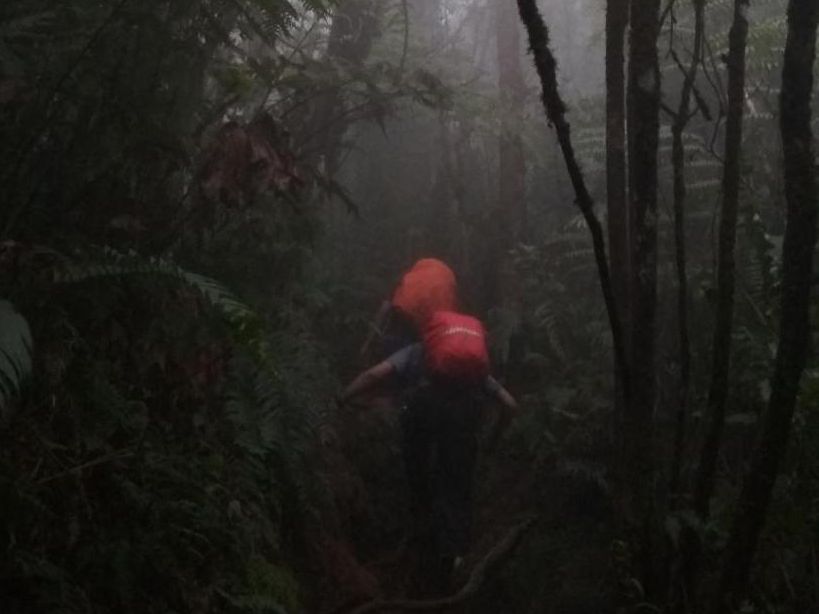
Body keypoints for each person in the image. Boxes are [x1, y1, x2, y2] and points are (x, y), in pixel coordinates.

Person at [337, 321, 518, 595]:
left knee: (415, 456)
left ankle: (419, 516)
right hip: (463, 420)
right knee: (456, 485)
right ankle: (455, 555)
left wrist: (342, 398)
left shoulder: (418, 352)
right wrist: (494, 436)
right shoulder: (473, 369)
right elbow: (510, 404)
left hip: (423, 412)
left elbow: (374, 375)